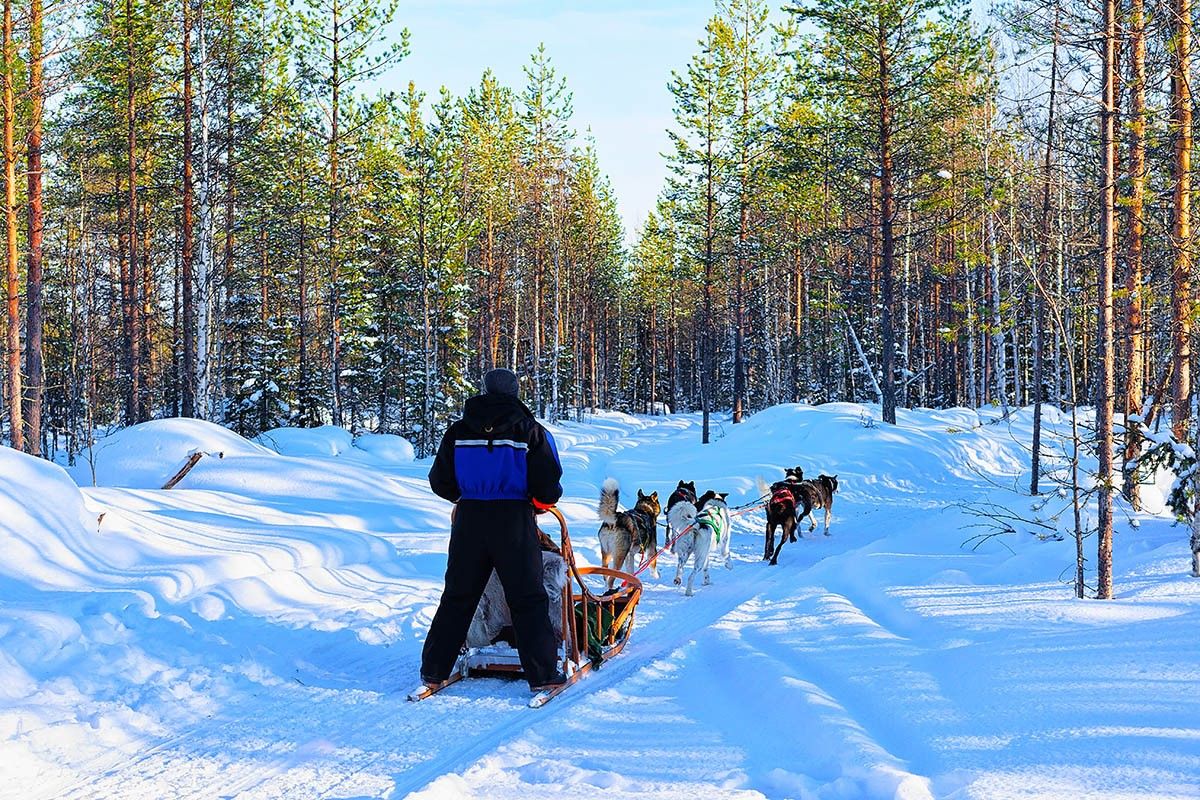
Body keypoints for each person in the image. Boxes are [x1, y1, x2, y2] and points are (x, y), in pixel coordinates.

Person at [422, 367, 567, 692]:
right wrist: (535, 501)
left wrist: (467, 496)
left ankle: (433, 670)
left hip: (470, 519)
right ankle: (543, 674)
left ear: (485, 391)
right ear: (516, 393)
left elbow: (439, 481)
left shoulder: (458, 431)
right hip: (514, 519)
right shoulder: (530, 431)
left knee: (458, 596)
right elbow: (548, 486)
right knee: (528, 597)